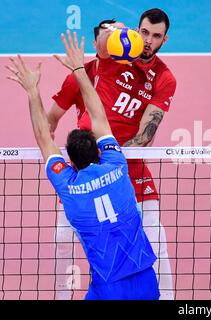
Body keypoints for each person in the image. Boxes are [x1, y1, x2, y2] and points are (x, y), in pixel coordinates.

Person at [6, 31, 159, 300]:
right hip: (146, 279)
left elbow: (44, 139)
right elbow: (99, 115)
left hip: (108, 287)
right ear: (99, 151)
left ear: (71, 163)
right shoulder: (115, 163)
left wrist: (32, 90)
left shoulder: (69, 187)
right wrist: (79, 68)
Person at [47, 9, 175, 300]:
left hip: (128, 167)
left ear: (164, 40)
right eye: (143, 33)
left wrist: (113, 160)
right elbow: (102, 43)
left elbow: (145, 135)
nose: (147, 41)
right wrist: (115, 35)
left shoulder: (164, 78)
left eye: (156, 36)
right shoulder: (108, 60)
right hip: (86, 169)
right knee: (63, 239)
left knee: (157, 240)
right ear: (135, 30)